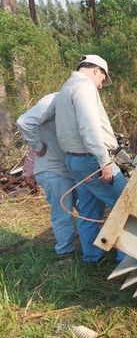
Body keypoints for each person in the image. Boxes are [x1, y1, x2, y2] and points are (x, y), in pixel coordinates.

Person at [54, 54, 127, 263]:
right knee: (125, 205)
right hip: (92, 160)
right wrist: (104, 161)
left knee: (88, 209)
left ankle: (92, 258)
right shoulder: (85, 88)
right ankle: (126, 259)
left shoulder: (65, 88)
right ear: (96, 70)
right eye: (102, 79)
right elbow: (90, 128)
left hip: (75, 160)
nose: (101, 86)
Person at [16, 93, 78, 257]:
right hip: (53, 168)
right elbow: (24, 122)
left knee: (84, 206)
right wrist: (37, 146)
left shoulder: (73, 101)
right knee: (62, 212)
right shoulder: (53, 100)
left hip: (67, 168)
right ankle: (64, 253)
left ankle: (85, 244)